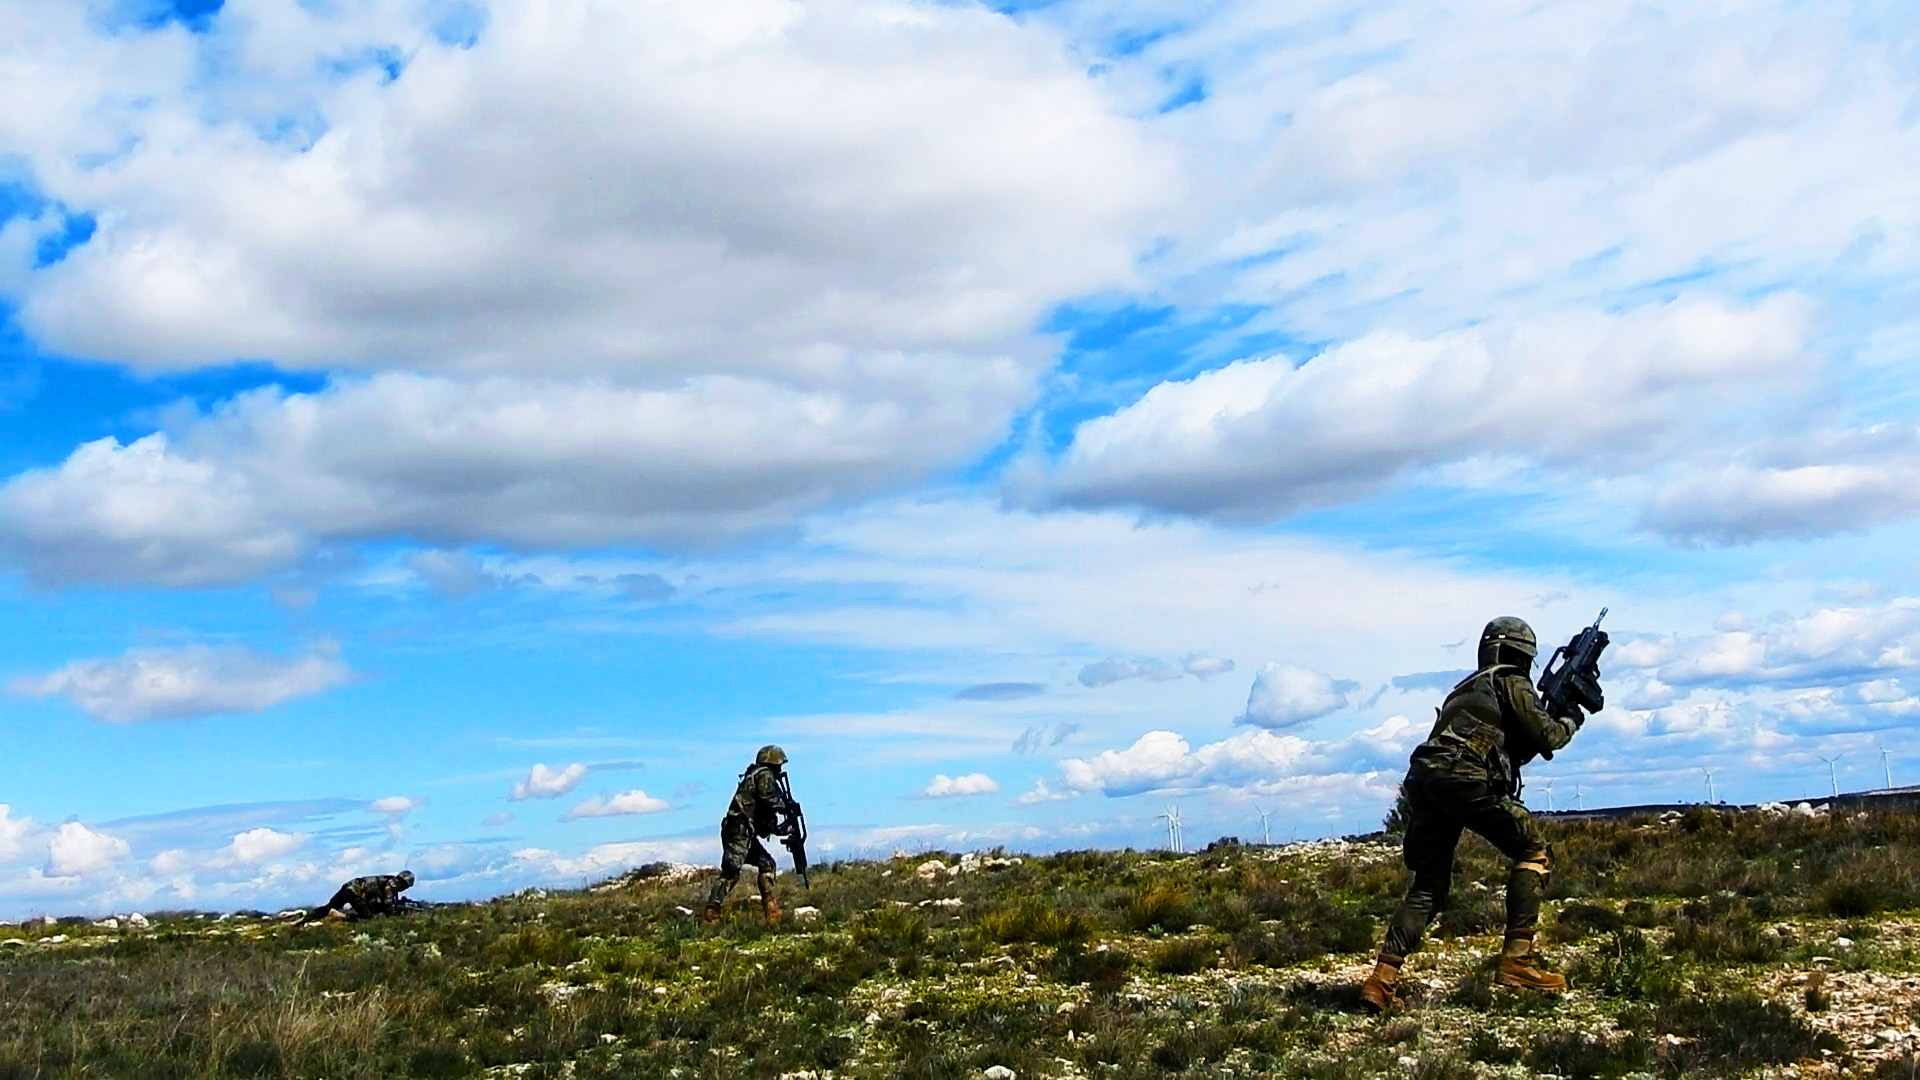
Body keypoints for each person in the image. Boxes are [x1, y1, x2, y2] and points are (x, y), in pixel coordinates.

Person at [1360, 617, 1585, 1012]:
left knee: (1429, 884)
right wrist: (1569, 718)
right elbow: (1547, 737)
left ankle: (1381, 979)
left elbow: (1511, 748)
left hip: (1426, 778)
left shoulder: (1461, 693)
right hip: (1465, 775)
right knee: (1534, 850)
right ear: (1522, 657)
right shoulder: (1510, 680)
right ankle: (1518, 961)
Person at [703, 745, 800, 924]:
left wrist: (779, 828)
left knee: (767, 864)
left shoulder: (754, 775)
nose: (780, 769)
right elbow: (768, 799)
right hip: (740, 831)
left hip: (743, 831)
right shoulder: (764, 775)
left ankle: (771, 912)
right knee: (731, 871)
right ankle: (711, 914)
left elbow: (761, 817)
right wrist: (785, 807)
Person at [308, 870, 417, 921]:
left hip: (349, 887)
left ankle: (305, 919)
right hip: (356, 891)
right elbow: (387, 903)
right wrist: (393, 916)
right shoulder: (393, 884)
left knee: (327, 908)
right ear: (403, 882)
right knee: (367, 918)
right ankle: (340, 916)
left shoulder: (387, 881)